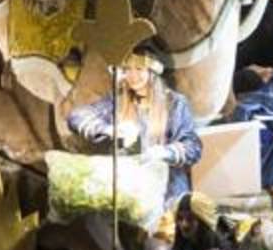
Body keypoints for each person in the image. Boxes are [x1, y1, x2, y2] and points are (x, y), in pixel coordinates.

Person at [67, 49, 203, 206]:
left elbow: (193, 147)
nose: (133, 76)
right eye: (127, 69)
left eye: (139, 69)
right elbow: (77, 116)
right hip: (131, 192)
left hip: (167, 193)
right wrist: (108, 129)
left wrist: (162, 152)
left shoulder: (174, 103)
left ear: (152, 71)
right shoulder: (117, 100)